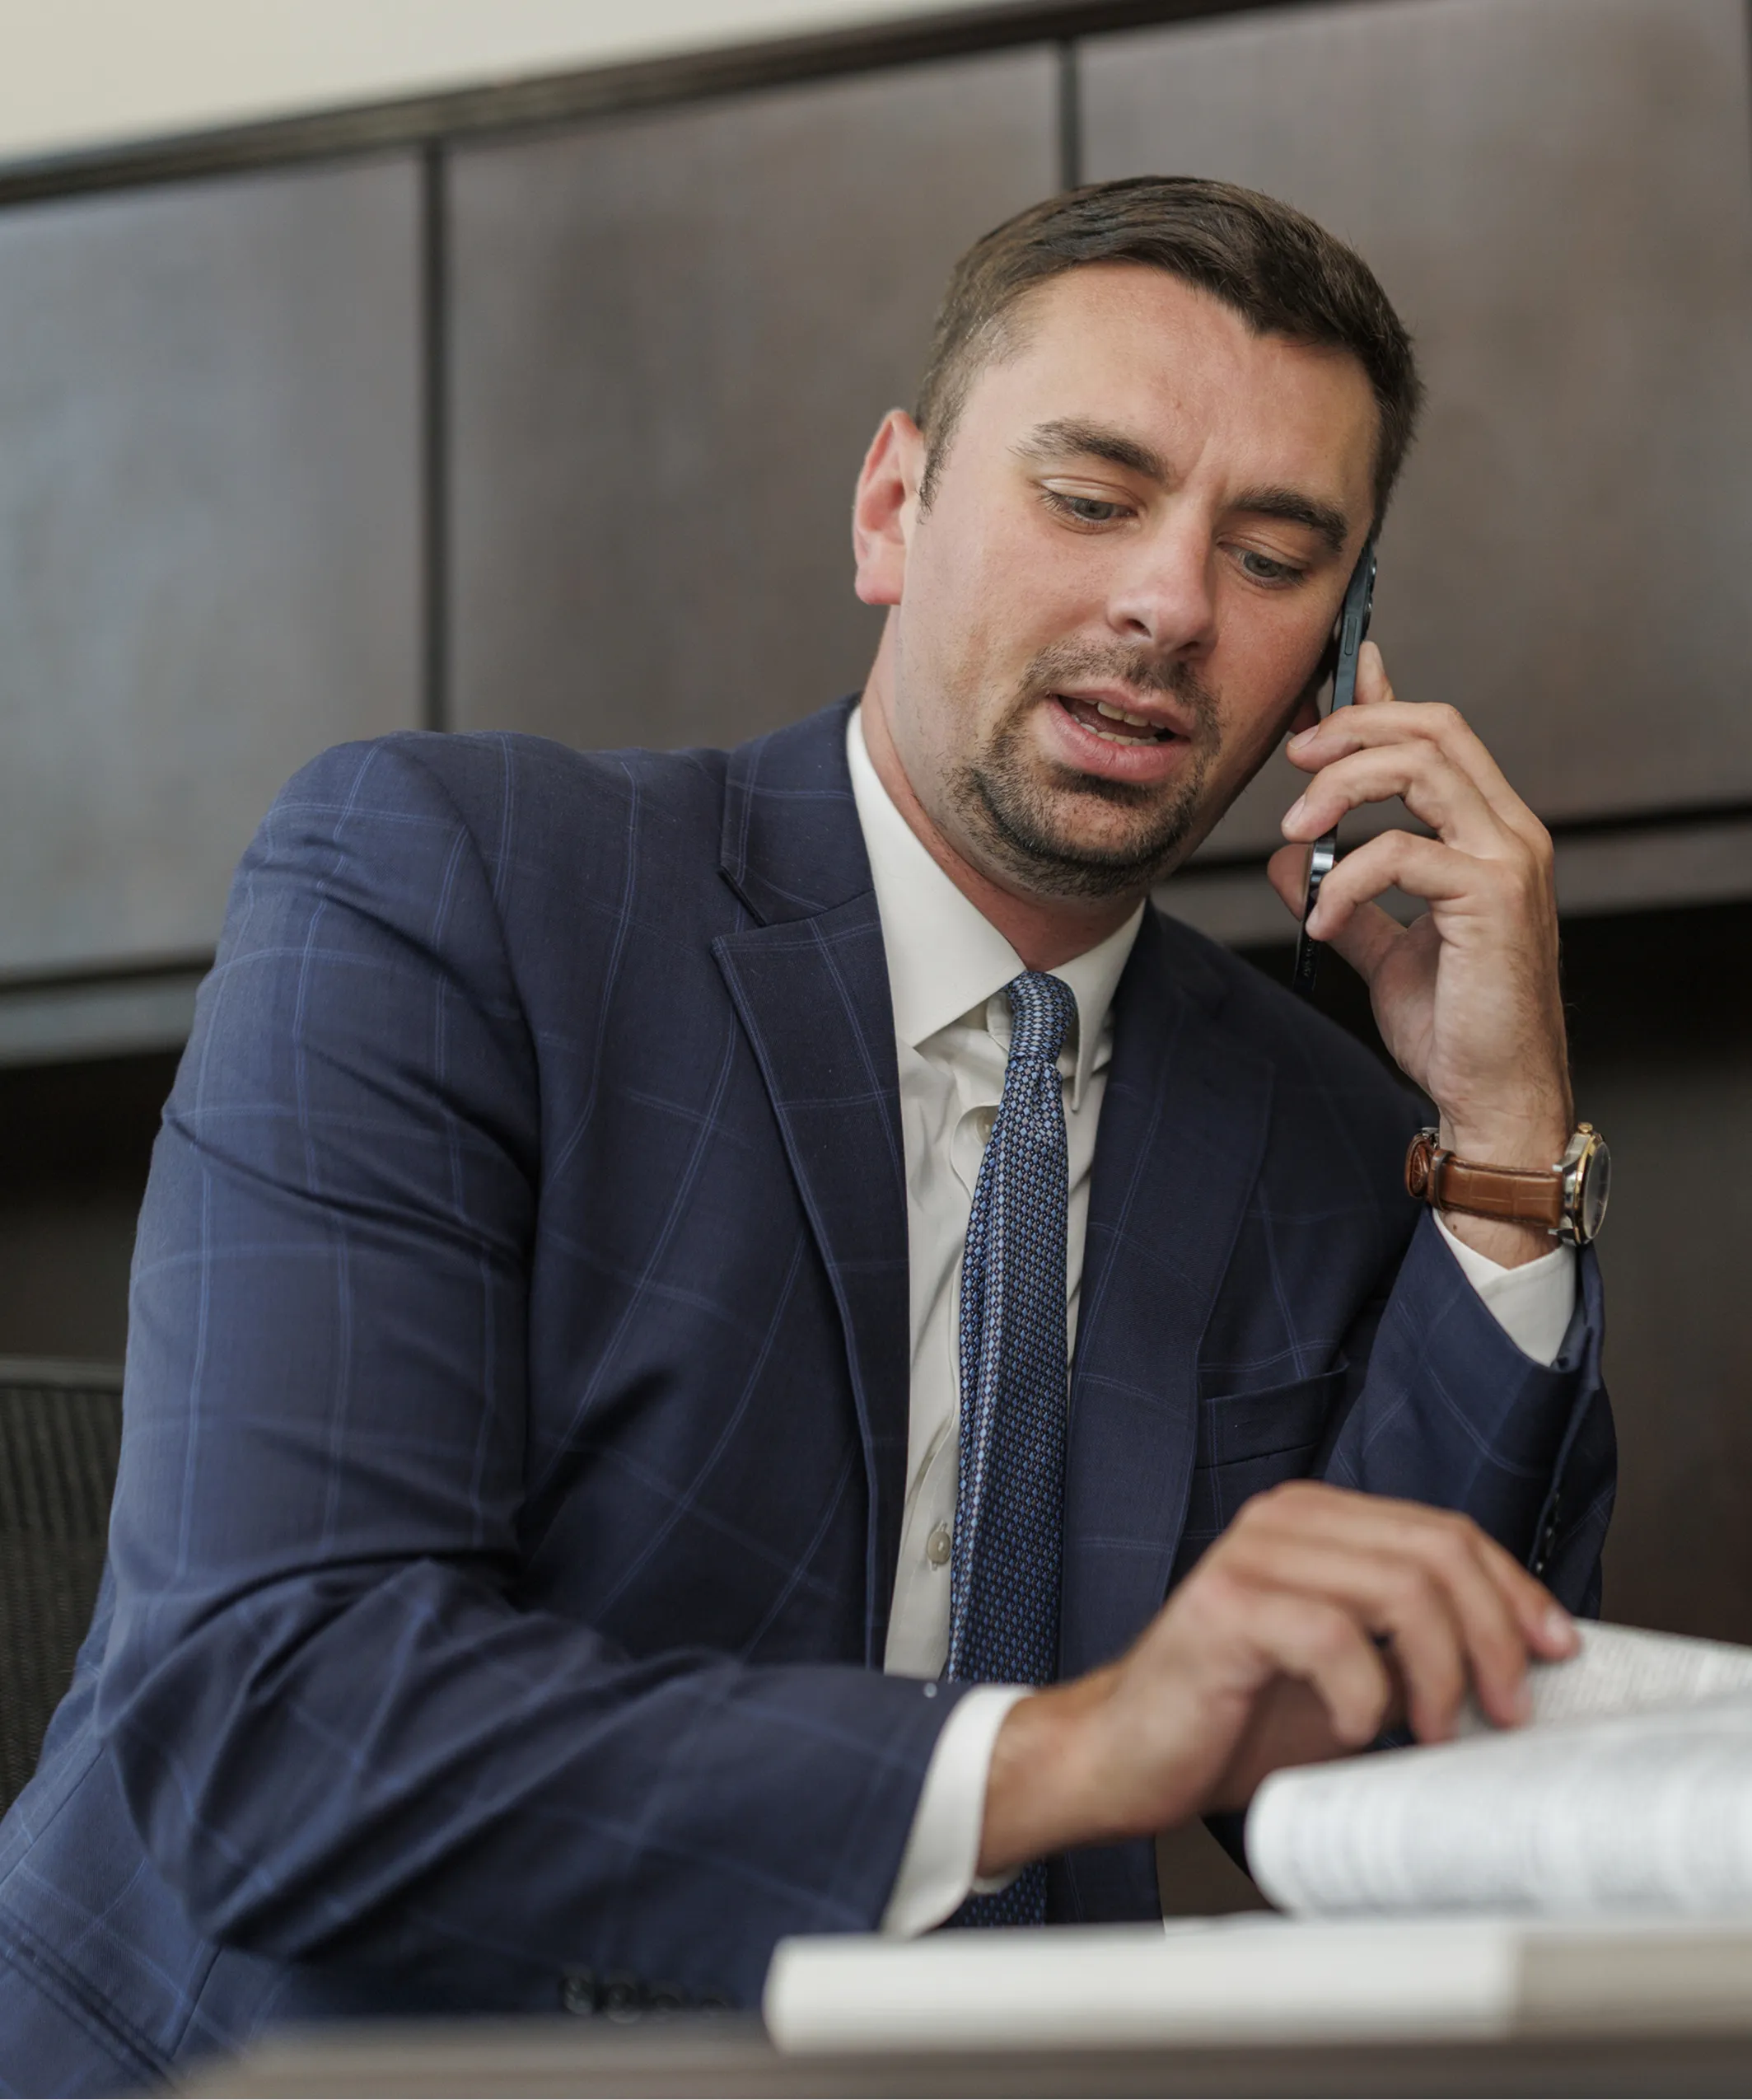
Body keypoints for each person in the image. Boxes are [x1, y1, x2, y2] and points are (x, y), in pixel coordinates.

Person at [0, 176, 1611, 2091]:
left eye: (1271, 554)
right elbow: (278, 1723)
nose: (1168, 603)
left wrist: (1504, 1141)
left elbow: (1422, 1793)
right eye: (1090, 497)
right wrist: (1068, 1751)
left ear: (1340, 653)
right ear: (890, 509)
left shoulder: (1325, 1130)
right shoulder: (460, 893)